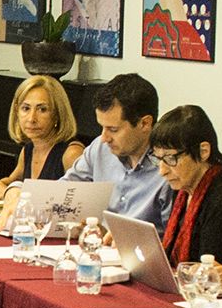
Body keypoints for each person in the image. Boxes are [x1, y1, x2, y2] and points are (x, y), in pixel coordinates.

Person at [148, 104, 222, 269]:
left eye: (170, 158)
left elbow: (212, 271)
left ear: (203, 151)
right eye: (158, 159)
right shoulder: (183, 190)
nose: (162, 171)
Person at [62, 72, 170, 225]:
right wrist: (17, 189)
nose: (104, 138)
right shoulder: (100, 148)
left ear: (145, 124)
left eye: (113, 129)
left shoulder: (169, 167)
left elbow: (173, 241)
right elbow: (63, 192)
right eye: (102, 127)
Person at [0, 74, 88, 196]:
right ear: (17, 111)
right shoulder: (28, 150)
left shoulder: (72, 153)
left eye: (42, 109)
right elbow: (11, 181)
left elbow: (85, 202)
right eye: (26, 108)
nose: (31, 118)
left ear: (57, 114)